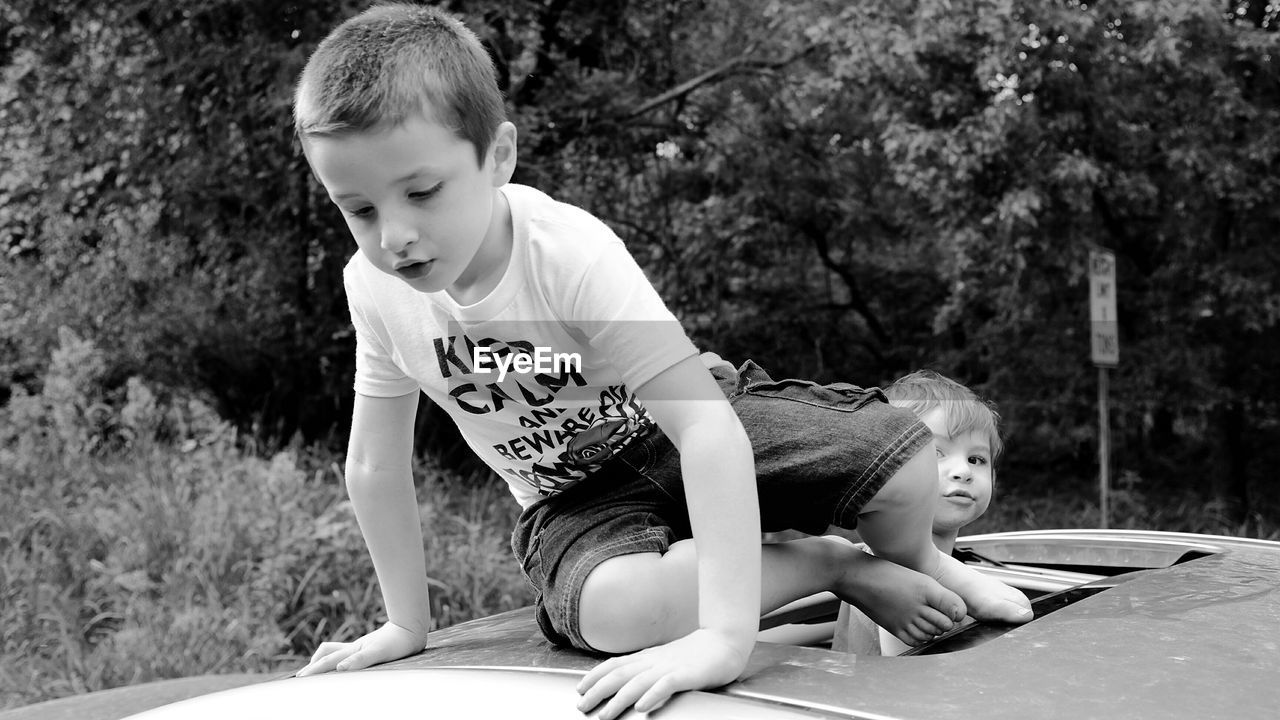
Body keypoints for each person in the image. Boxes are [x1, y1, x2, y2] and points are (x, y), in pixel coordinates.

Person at [289, 6, 1031, 719]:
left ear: (498, 158)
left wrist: (723, 641)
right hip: (577, 500)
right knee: (611, 613)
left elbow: (707, 432)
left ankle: (921, 560)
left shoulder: (568, 252)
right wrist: (404, 626)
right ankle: (838, 565)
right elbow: (375, 466)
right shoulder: (376, 291)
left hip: (680, 425)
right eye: (358, 210)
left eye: (421, 191)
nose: (395, 237)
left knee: (903, 455)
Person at [832, 370, 1003, 656]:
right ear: (882, 465)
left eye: (976, 459)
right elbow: (914, 682)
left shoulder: (871, 565)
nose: (963, 471)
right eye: (936, 453)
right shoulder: (895, 582)